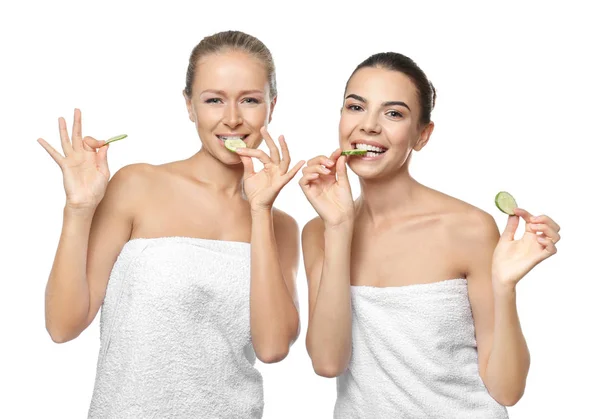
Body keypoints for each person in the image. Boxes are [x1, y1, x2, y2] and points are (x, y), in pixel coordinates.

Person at [38, 30, 304, 418]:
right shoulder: (137, 185)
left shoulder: (281, 226)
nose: (232, 118)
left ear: (271, 106)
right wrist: (78, 208)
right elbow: (63, 326)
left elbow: (273, 348)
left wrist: (260, 211)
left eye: (249, 100)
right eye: (214, 100)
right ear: (189, 105)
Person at [299, 52, 560, 418]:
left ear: (422, 135)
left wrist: (504, 287)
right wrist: (339, 228)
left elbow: (507, 389)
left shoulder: (467, 227)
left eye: (393, 113)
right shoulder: (319, 231)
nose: (369, 126)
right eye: (356, 107)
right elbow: (328, 362)